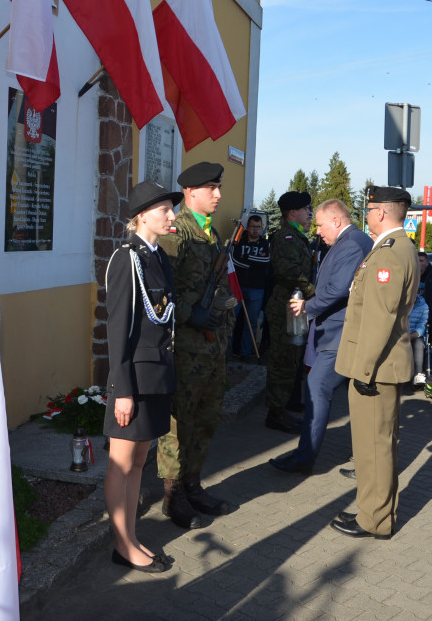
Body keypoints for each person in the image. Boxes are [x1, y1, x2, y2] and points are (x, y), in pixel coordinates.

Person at [330, 186, 418, 540]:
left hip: (376, 368)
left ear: (382, 212)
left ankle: (376, 520)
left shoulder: (390, 254)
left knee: (376, 448)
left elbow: (380, 318)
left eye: (369, 210)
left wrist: (364, 370)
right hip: (376, 365)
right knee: (369, 447)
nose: (366, 216)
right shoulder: (392, 248)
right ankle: (371, 510)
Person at [103, 181, 182, 573]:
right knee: (121, 462)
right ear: (143, 215)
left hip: (156, 377)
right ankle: (122, 544)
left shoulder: (157, 258)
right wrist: (121, 389)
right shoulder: (126, 259)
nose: (172, 216)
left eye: (172, 209)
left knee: (137, 462)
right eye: (166, 209)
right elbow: (118, 329)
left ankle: (131, 536)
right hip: (133, 381)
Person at [157, 162, 235, 530]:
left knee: (206, 419)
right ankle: (173, 496)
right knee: (179, 423)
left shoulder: (213, 234)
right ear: (190, 192)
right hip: (186, 348)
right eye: (211, 188)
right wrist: (191, 313)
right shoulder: (177, 232)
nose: (218, 195)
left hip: (212, 348)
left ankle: (193, 483)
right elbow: (160, 292)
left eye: (218, 187)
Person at [268, 199, 372, 474]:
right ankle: (361, 458)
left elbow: (337, 289)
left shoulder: (351, 243)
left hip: (340, 332)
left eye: (321, 225)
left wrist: (307, 308)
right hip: (339, 330)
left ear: (336, 221)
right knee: (343, 392)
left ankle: (305, 458)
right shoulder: (352, 240)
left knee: (316, 388)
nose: (317, 231)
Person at [263, 191, 315, 433]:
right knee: (282, 361)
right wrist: (314, 291)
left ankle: (284, 406)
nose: (309, 213)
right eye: (306, 209)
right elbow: (289, 270)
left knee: (291, 358)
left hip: (293, 303)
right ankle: (276, 412)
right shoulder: (286, 236)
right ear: (292, 212)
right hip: (285, 304)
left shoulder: (297, 235)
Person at [232, 214, 270, 361]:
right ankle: (229, 351)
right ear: (247, 227)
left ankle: (245, 353)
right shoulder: (239, 242)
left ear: (262, 228)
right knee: (232, 320)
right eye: (253, 226)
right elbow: (235, 261)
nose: (255, 230)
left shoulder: (265, 244)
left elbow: (265, 261)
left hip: (256, 289)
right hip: (237, 286)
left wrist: (246, 260)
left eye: (258, 227)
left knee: (252, 323)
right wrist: (254, 263)